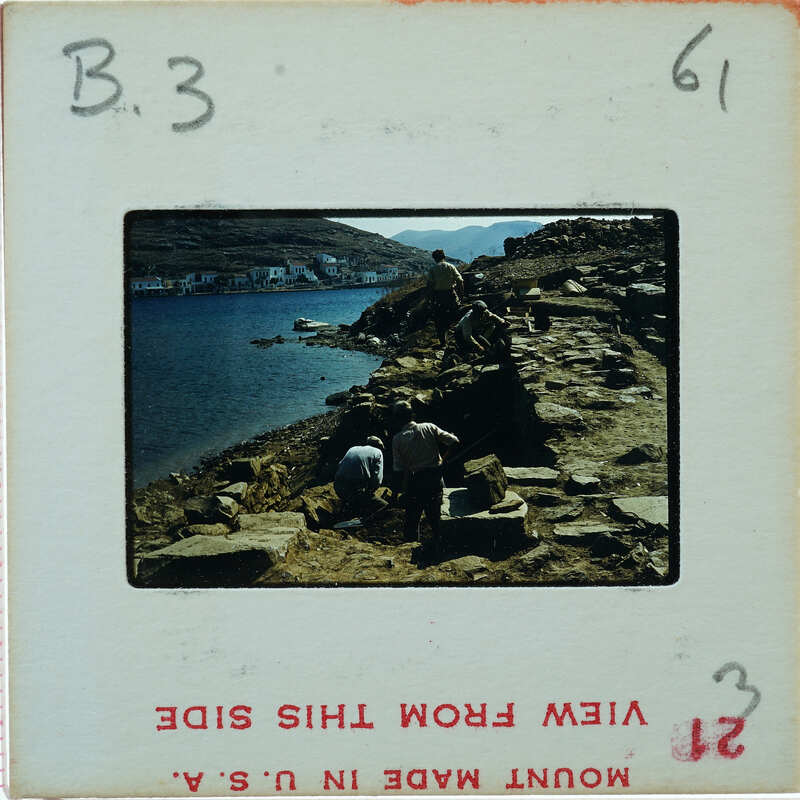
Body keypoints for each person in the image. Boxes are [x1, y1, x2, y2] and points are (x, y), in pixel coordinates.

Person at [391, 401, 459, 544]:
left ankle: (410, 550)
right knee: (436, 517)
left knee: (412, 521)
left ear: (397, 419)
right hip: (435, 479)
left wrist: (396, 494)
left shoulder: (397, 440)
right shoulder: (429, 427)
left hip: (415, 483)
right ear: (413, 415)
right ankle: (440, 546)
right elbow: (454, 442)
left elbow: (399, 470)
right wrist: (443, 461)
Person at [333, 436, 388, 515]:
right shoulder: (378, 452)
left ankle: (349, 510)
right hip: (356, 488)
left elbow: (340, 465)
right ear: (379, 446)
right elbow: (377, 478)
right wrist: (371, 491)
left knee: (354, 500)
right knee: (384, 506)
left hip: (338, 485)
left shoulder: (353, 448)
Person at [427, 249, 464, 346]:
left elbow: (430, 286)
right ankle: (458, 340)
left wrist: (430, 300)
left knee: (439, 320)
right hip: (451, 295)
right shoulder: (451, 267)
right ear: (444, 256)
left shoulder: (433, 269)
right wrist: (460, 295)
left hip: (438, 297)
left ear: (435, 259)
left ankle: (443, 342)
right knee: (455, 317)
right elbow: (460, 281)